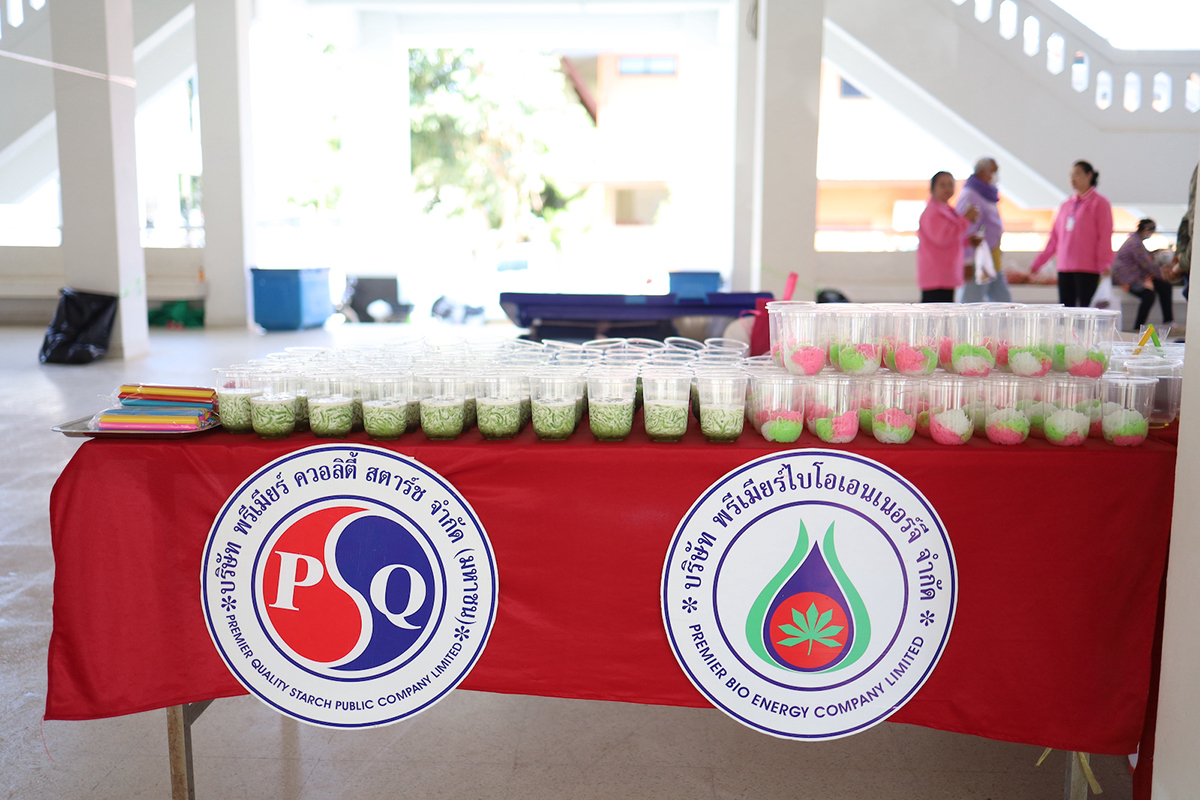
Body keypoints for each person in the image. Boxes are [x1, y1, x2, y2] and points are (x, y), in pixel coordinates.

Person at [1029, 160, 1114, 307]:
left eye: (1077, 174)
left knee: (1086, 310)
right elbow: (1054, 239)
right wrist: (1038, 263)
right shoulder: (1066, 204)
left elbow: (1104, 236)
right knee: (1065, 309)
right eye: (1071, 175)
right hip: (1064, 266)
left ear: (1089, 176)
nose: (1072, 179)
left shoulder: (1099, 203)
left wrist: (1104, 264)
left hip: (1088, 267)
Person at [917, 171, 979, 303]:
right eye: (942, 185)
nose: (947, 188)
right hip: (936, 277)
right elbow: (943, 239)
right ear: (932, 189)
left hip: (946, 275)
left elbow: (952, 238)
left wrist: (968, 241)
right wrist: (965, 219)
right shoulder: (932, 212)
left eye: (950, 184)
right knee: (935, 313)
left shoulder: (947, 210)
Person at [957, 157, 1011, 303]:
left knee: (1003, 303)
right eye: (993, 171)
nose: (995, 176)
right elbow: (966, 230)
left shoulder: (987, 194)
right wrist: (967, 261)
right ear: (982, 172)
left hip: (992, 256)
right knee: (970, 303)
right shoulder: (970, 195)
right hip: (978, 258)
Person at [1112, 219, 1175, 330]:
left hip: (1136, 277)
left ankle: (1168, 321)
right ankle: (1138, 327)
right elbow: (1146, 264)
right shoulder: (1135, 243)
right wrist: (1166, 274)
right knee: (1149, 296)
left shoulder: (1135, 241)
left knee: (1164, 287)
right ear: (1146, 230)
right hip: (1129, 280)